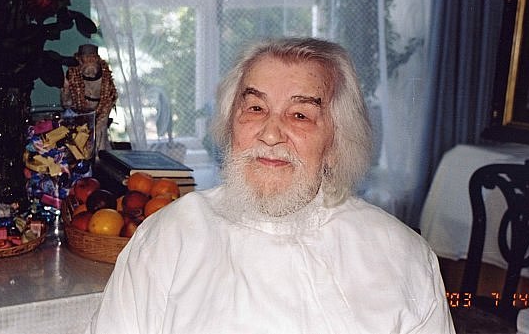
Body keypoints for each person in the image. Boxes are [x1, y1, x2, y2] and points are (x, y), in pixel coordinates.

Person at [87, 37, 456, 334]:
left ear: (336, 143)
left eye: (300, 115)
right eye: (256, 108)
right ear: (230, 124)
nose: (270, 133)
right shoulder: (168, 238)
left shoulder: (401, 256)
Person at [61, 44, 118, 151]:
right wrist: (66, 90)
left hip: (101, 112)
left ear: (97, 58)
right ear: (80, 59)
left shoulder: (105, 76)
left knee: (100, 135)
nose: (90, 60)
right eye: (87, 57)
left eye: (93, 57)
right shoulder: (72, 75)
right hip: (78, 116)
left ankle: (100, 155)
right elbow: (66, 103)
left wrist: (101, 115)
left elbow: (109, 97)